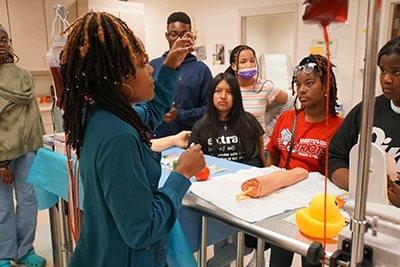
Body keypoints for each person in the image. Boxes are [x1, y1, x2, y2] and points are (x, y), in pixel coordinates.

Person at [59, 12, 206, 267]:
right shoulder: (119, 136)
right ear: (117, 77)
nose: (150, 69)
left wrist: (170, 65)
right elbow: (142, 230)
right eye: (141, 64)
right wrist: (181, 174)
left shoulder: (101, 114)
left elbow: (149, 111)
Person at [266, 54, 342, 267]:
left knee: (312, 262)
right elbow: (272, 154)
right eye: (298, 84)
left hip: (315, 211)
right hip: (281, 208)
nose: (301, 90)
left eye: (309, 83)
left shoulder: (339, 128)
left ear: (326, 85)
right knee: (278, 262)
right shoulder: (286, 119)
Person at [187, 72, 266, 267]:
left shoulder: (249, 121)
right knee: (219, 238)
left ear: (236, 96)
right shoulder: (201, 126)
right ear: (211, 95)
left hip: (245, 196)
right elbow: (193, 160)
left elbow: (260, 153)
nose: (223, 96)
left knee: (246, 244)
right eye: (218, 91)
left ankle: (212, 265)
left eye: (229, 92)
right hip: (216, 197)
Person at [328, 36, 400, 207]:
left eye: (396, 72)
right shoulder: (368, 109)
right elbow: (334, 156)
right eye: (383, 71)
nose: (386, 79)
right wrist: (357, 184)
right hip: (361, 208)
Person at [0, 25, 47, 267]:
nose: (2, 44)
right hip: (1, 156)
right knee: (3, 206)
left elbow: (32, 116)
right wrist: (2, 162)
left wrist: (39, 146)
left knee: (29, 202)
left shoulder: (22, 74)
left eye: (5, 39)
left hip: (27, 150)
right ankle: (4, 254)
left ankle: (25, 250)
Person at [150, 11, 213, 139]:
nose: (178, 40)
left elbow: (210, 110)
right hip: (157, 140)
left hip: (189, 140)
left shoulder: (202, 70)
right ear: (167, 36)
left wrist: (179, 115)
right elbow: (144, 103)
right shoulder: (153, 66)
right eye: (174, 34)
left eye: (183, 35)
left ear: (190, 37)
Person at [225, 45, 294, 155]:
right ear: (233, 66)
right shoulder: (226, 89)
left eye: (252, 61)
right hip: (233, 149)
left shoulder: (265, 87)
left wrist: (271, 128)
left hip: (261, 149)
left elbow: (290, 102)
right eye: (243, 62)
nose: (249, 65)